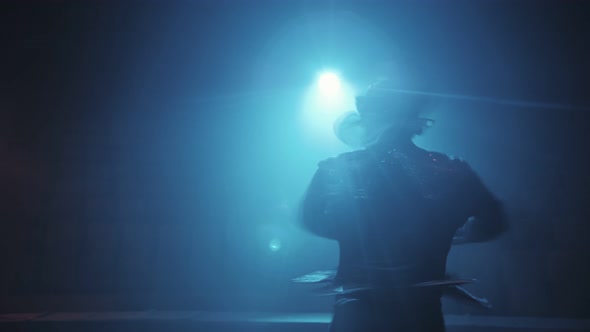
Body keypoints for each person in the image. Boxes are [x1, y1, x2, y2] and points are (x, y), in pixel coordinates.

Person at [298, 79, 508, 332]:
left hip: (356, 314)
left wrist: (355, 233)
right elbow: (495, 221)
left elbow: (308, 217)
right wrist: (446, 236)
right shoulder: (451, 171)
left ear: (367, 116)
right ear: (415, 118)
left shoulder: (338, 168)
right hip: (419, 316)